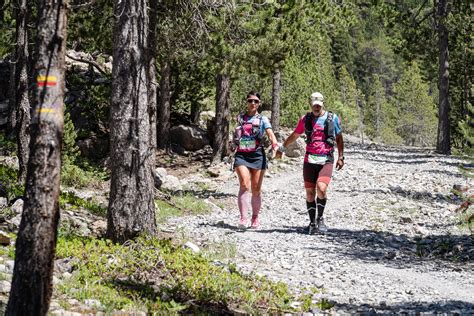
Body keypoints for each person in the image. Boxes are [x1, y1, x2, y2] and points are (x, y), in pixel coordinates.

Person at [276, 92, 344, 234]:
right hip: (310, 160)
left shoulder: (332, 118)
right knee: (309, 192)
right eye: (314, 106)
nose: (316, 108)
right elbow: (295, 135)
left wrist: (341, 157)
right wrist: (282, 148)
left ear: (322, 104)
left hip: (326, 159)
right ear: (310, 104)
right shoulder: (305, 119)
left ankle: (320, 218)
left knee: (322, 188)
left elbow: (339, 137)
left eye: (319, 106)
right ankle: (312, 223)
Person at [230, 91, 279, 230]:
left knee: (256, 189)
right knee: (245, 184)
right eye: (250, 101)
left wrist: (275, 145)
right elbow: (235, 133)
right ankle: (243, 218)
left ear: (259, 104)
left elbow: (270, 133)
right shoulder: (240, 118)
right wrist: (231, 145)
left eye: (255, 101)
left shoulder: (263, 119)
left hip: (257, 155)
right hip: (241, 155)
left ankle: (255, 218)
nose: (253, 103)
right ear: (246, 102)